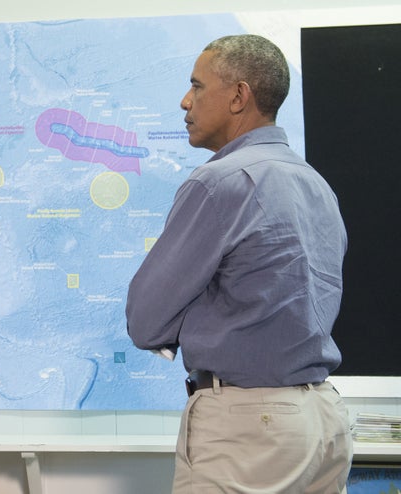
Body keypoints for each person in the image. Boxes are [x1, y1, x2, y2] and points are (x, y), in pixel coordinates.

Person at [126, 35, 353, 493]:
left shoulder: (219, 183)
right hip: (323, 421)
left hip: (249, 431)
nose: (185, 101)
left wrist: (194, 315)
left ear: (238, 96)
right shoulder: (315, 185)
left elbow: (145, 322)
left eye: (197, 86)